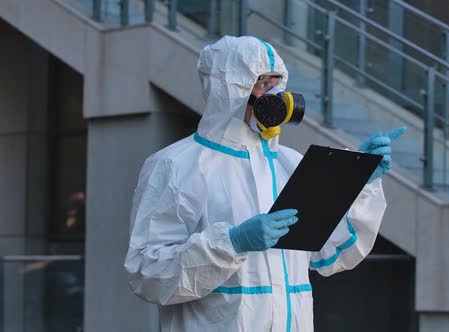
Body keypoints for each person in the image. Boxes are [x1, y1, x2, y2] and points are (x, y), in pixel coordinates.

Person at [124, 35, 397, 331]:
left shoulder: (290, 164)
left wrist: (359, 186)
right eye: (263, 83)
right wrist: (231, 243)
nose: (277, 95)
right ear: (229, 89)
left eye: (278, 82)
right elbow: (147, 274)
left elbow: (332, 256)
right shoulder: (176, 166)